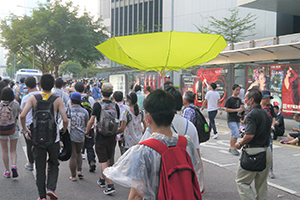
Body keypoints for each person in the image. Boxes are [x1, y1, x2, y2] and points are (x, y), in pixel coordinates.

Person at [103, 89, 203, 199]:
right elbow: (197, 179)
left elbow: (136, 195)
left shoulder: (142, 151)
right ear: (172, 115)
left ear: (148, 118)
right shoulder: (187, 144)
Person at [140, 86, 205, 193]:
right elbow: (196, 157)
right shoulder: (190, 127)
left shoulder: (156, 126)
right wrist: (200, 183)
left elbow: (143, 160)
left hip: (158, 183)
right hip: (184, 182)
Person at [20, 74, 68, 200]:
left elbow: (22, 116)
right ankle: (51, 188)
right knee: (53, 163)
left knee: (40, 167)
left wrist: (25, 129)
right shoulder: (58, 100)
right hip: (54, 139)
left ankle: (42, 196)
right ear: (53, 86)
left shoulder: (33, 98)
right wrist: (63, 131)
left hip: (37, 138)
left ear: (39, 85)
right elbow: (65, 119)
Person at [235, 88, 272, 200]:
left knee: (242, 181)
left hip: (253, 152)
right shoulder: (266, 114)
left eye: (245, 98)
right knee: (261, 185)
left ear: (251, 100)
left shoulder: (251, 114)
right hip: (266, 152)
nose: (244, 101)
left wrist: (240, 143)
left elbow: (250, 135)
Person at [85, 82, 120, 195]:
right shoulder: (115, 106)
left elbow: (92, 120)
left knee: (103, 160)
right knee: (107, 158)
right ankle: (102, 179)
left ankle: (110, 185)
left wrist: (86, 131)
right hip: (112, 135)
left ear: (101, 92)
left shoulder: (98, 105)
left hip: (101, 135)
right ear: (112, 93)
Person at [75, 82, 96, 172]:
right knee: (90, 146)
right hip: (89, 127)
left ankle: (78, 168)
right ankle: (92, 161)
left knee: (78, 148)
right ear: (84, 89)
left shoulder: (73, 99)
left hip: (78, 127)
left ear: (75, 90)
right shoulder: (90, 99)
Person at [20, 76, 41, 171]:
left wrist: (24, 128)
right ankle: (40, 163)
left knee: (29, 144)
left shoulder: (25, 98)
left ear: (26, 86)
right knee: (40, 144)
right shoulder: (43, 95)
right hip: (42, 124)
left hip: (29, 124)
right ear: (36, 84)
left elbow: (22, 113)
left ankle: (30, 163)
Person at [0, 88, 21, 178]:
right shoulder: (16, 104)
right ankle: (14, 165)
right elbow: (17, 116)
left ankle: (7, 171)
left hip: (2, 129)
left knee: (4, 150)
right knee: (13, 150)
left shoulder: (0, 105)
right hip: (13, 128)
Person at [68, 92, 89, 181]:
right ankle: (79, 171)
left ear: (71, 100)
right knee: (79, 153)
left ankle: (73, 176)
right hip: (81, 135)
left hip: (71, 135)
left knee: (72, 155)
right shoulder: (84, 111)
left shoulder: (69, 110)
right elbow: (86, 123)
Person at [260, 90, 276, 179]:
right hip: (259, 133)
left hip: (268, 133)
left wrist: (272, 126)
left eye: (269, 98)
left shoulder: (270, 107)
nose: (268, 100)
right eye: (266, 98)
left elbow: (274, 117)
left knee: (269, 152)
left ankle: (270, 170)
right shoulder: (257, 107)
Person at [225, 84, 243, 156]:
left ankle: (232, 147)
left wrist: (242, 110)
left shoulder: (239, 100)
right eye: (237, 90)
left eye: (239, 90)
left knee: (234, 134)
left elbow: (241, 109)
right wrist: (236, 110)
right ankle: (232, 147)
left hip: (237, 119)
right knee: (236, 133)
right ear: (233, 90)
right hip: (231, 119)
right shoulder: (229, 99)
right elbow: (226, 109)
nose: (238, 91)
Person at [113, 91, 128, 155]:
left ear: (114, 98)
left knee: (112, 149)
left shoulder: (112, 107)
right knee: (123, 149)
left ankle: (111, 163)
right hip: (123, 130)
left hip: (114, 129)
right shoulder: (126, 108)